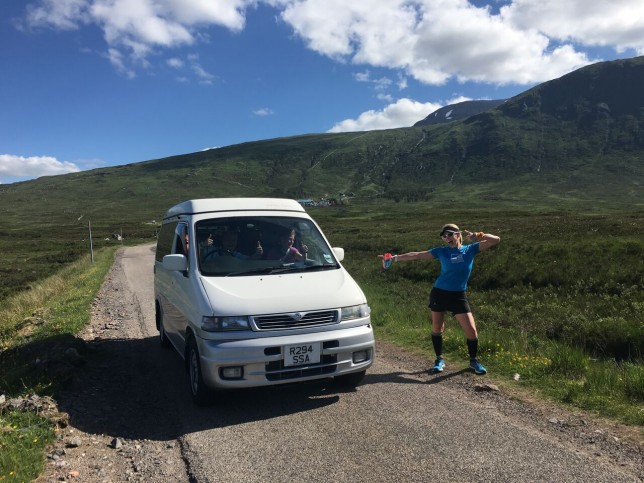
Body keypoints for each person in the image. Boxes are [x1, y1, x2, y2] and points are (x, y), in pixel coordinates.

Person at [378, 224, 500, 375]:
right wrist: (394, 258)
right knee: (437, 328)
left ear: (458, 234)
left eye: (449, 234)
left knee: (471, 330)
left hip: (458, 295)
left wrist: (479, 236)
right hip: (440, 293)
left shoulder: (470, 249)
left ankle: (474, 361)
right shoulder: (441, 251)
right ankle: (439, 359)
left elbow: (496, 240)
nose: (446, 238)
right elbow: (417, 255)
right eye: (444, 236)